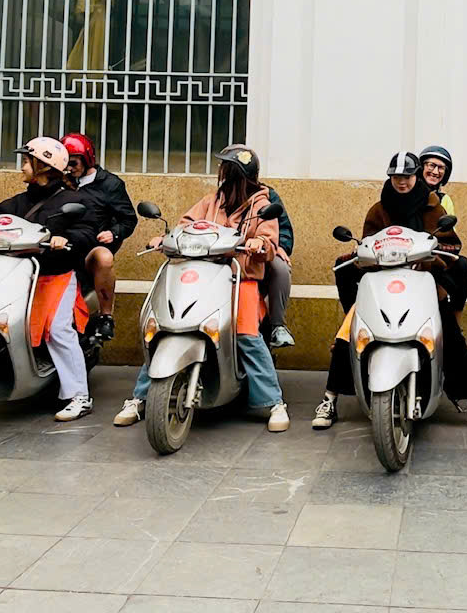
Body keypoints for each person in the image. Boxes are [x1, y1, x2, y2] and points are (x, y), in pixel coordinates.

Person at [312, 151, 467, 433]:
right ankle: (330, 399)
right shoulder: (378, 209)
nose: (402, 181)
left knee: (450, 334)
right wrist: (363, 255)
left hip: (422, 284)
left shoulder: (434, 207)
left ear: (415, 176)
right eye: (397, 176)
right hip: (382, 285)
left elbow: (450, 246)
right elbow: (368, 242)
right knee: (349, 333)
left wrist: (430, 257)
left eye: (407, 176)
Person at [113, 145, 291, 433]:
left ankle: (273, 402)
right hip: (204, 274)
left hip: (240, 277)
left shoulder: (262, 205)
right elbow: (186, 224)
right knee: (165, 329)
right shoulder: (212, 200)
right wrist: (165, 238)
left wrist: (259, 243)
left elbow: (269, 239)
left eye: (227, 168)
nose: (222, 172)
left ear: (240, 174)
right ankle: (140, 397)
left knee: (246, 334)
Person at [0, 136, 99, 422]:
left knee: (57, 329)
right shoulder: (13, 204)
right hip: (16, 277)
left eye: (27, 162)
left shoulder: (74, 201)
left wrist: (65, 238)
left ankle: (79, 395)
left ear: (43, 166)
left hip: (56, 275)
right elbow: (0, 225)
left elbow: (87, 232)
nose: (22, 167)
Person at [59, 131, 136, 346]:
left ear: (87, 159)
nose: (69, 168)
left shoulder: (110, 184)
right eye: (65, 163)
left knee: (104, 257)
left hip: (90, 252)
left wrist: (114, 232)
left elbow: (129, 219)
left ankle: (105, 317)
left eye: (73, 163)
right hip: (60, 250)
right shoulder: (60, 182)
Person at [260, 174, 297, 350]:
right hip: (231, 256)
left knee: (280, 267)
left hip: (260, 254)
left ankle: (277, 325)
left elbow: (283, 228)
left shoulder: (267, 196)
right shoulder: (217, 199)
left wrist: (279, 245)